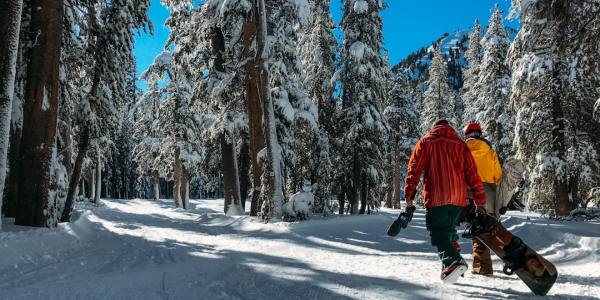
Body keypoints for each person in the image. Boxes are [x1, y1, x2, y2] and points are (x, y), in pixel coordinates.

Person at [402, 120, 487, 283]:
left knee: (438, 233)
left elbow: (414, 170)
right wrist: (480, 199)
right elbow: (473, 174)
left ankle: (454, 262)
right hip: (458, 199)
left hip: (437, 196)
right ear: (450, 128)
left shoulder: (426, 142)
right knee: (448, 230)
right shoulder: (461, 145)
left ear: (434, 128)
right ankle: (450, 267)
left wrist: (409, 195)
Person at [463, 122, 502, 277]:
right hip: (489, 192)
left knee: (476, 228)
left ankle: (483, 267)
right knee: (487, 227)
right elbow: (498, 175)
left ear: (466, 134)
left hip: (470, 190)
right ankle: (483, 265)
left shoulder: (462, 150)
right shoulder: (490, 151)